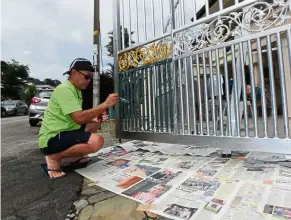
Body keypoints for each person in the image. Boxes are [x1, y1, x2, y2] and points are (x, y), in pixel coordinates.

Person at [38, 58, 119, 179]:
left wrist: (93, 118)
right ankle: (54, 156)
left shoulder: (76, 90)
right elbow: (79, 118)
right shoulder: (65, 90)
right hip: (53, 137)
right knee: (97, 141)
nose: (89, 81)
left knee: (94, 122)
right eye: (87, 77)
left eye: (90, 78)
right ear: (74, 72)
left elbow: (75, 115)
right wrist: (105, 104)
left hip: (65, 130)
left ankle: (76, 155)